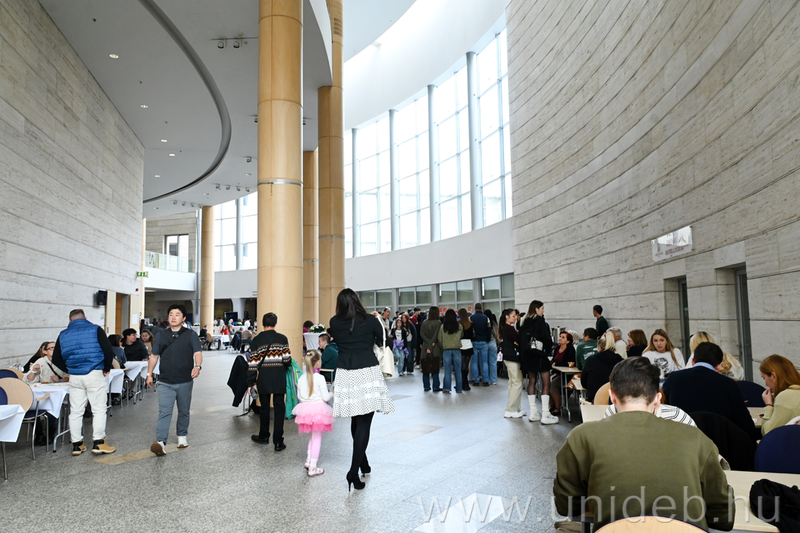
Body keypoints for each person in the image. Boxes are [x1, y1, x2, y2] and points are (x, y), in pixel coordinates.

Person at [553, 357, 733, 531]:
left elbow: (566, 506)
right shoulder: (697, 439)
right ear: (658, 398)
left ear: (612, 396)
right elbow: (723, 517)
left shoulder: (581, 437)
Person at [329, 289, 395, 491]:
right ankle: (353, 472)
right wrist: (379, 322)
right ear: (357, 301)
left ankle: (363, 463)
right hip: (367, 371)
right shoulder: (370, 320)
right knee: (364, 422)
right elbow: (385, 341)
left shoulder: (334, 322)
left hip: (345, 373)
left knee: (355, 419)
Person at [51, 309, 116, 456]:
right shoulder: (95, 329)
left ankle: (77, 445)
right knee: (98, 409)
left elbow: (56, 359)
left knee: (75, 411)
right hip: (94, 373)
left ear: (70, 320)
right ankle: (99, 443)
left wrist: (70, 369)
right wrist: (106, 368)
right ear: (85, 318)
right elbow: (108, 351)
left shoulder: (63, 334)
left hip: (74, 376)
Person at [662, 342, 756, 439]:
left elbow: (661, 411)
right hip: (719, 443)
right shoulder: (729, 384)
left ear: (693, 361)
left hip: (681, 440)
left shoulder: (673, 379)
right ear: (719, 366)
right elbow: (746, 426)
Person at [147, 304, 203, 456]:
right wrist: (149, 374)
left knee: (184, 410)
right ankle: (160, 442)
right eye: (171, 314)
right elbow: (154, 356)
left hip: (185, 380)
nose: (173, 317)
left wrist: (197, 366)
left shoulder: (190, 335)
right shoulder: (161, 335)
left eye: (177, 314)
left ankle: (182, 436)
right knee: (164, 411)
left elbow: (198, 352)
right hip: (165, 381)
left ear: (183, 318)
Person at [247, 312, 292, 451]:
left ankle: (264, 435)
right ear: (275, 324)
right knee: (279, 408)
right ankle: (278, 441)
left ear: (262, 323)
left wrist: (251, 383)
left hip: (264, 378)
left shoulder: (257, 340)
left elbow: (252, 363)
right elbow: (287, 360)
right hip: (279, 378)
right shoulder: (282, 339)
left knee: (264, 408)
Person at [291, 349, 334, 477]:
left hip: (306, 410)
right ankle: (313, 468)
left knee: (313, 436)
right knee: (317, 438)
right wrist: (332, 393)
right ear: (318, 362)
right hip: (319, 410)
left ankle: (309, 460)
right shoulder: (320, 378)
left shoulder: (302, 378)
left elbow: (300, 396)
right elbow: (325, 397)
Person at [518, 300, 557, 423]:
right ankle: (545, 413)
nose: (543, 311)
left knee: (532, 381)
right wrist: (548, 348)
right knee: (546, 383)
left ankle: (533, 412)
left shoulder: (523, 321)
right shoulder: (539, 321)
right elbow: (546, 338)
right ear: (536, 309)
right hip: (539, 355)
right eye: (542, 308)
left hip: (528, 356)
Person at [759, 354, 800, 435]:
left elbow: (769, 433)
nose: (766, 384)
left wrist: (769, 405)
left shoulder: (786, 396)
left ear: (774, 376)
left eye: (764, 378)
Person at [581, 332, 623, 402]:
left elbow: (584, 383)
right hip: (615, 400)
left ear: (599, 347)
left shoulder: (591, 360)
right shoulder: (621, 361)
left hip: (594, 399)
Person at [500, 309, 526, 418]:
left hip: (508, 357)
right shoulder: (509, 328)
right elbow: (518, 340)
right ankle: (511, 409)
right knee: (517, 383)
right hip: (512, 358)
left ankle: (516, 408)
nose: (515, 318)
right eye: (513, 316)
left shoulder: (505, 328)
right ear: (507, 316)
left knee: (513, 383)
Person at [549, 331, 575, 416]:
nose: (560, 338)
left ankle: (557, 407)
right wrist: (553, 363)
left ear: (568, 341)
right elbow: (553, 360)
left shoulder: (570, 349)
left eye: (563, 337)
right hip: (557, 372)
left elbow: (570, 363)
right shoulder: (557, 348)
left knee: (554, 383)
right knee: (547, 381)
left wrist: (556, 364)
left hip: (567, 374)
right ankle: (552, 405)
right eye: (560, 336)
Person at [438, 309, 464, 393]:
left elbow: (439, 339)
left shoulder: (442, 327)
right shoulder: (459, 326)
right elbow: (462, 335)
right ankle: (459, 388)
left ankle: (447, 388)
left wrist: (443, 346)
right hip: (457, 349)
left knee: (447, 370)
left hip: (446, 350)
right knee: (458, 370)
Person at [419, 307, 442, 392]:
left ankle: (426, 386)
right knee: (435, 367)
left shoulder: (424, 322)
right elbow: (436, 335)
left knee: (425, 367)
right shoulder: (438, 322)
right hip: (435, 347)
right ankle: (435, 387)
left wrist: (428, 344)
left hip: (425, 347)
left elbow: (421, 334)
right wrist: (431, 345)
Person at [470, 303, 491, 387]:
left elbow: (469, 330)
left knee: (474, 362)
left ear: (474, 308)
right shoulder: (486, 318)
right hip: (484, 341)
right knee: (484, 362)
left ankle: (476, 380)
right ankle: (485, 380)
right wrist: (487, 339)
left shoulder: (471, 318)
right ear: (482, 308)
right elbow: (489, 329)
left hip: (474, 341)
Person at [457, 308, 474, 391]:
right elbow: (472, 335)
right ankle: (466, 383)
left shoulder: (458, 324)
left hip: (461, 345)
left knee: (462, 366)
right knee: (466, 365)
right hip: (469, 345)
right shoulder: (470, 323)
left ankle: (463, 383)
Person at [485, 310, 499, 384]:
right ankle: (493, 380)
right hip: (493, 342)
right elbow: (496, 334)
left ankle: (486, 379)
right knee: (493, 362)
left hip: (484, 342)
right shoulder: (493, 323)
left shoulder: (483, 322)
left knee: (485, 362)